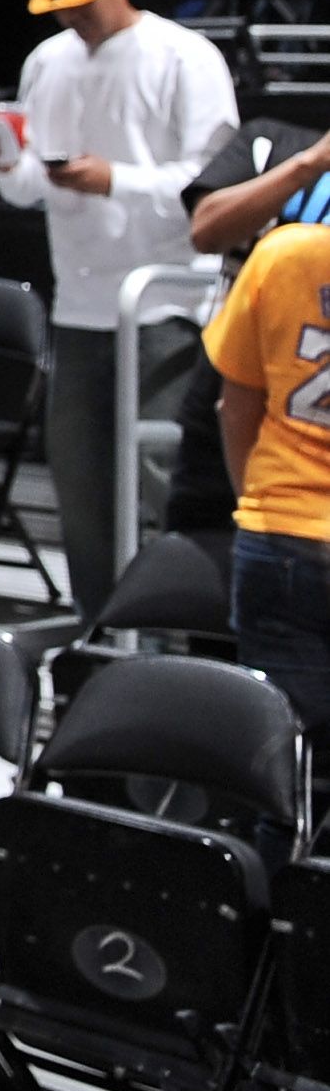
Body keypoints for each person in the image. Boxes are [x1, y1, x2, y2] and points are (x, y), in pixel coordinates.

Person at [0, 0, 241, 617]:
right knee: (81, 482)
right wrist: (9, 162)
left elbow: (214, 184)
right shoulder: (47, 62)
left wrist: (114, 180)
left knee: (162, 479)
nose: (73, 14)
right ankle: (101, 628)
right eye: (60, 2)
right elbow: (33, 188)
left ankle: (175, 632)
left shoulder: (184, 57)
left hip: (163, 298)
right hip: (79, 303)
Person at [202, 219, 330, 727]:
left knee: (283, 764)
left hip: (279, 533)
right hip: (281, 536)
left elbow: (234, 410)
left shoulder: (282, 253)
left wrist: (256, 501)